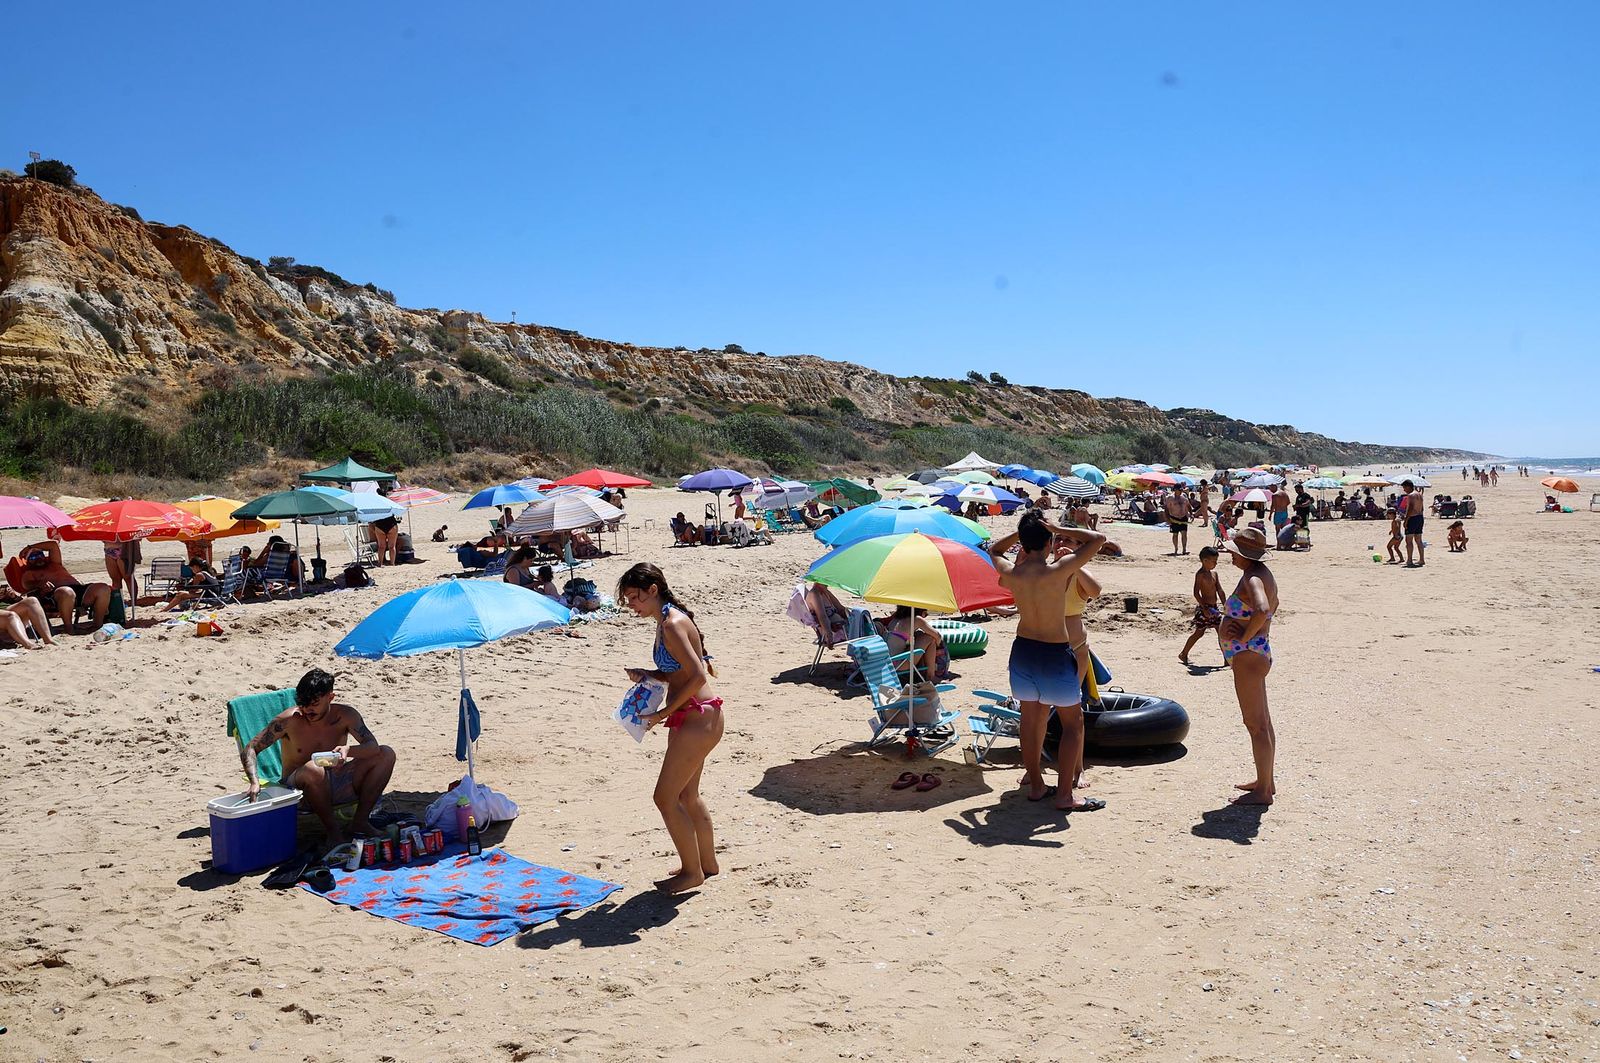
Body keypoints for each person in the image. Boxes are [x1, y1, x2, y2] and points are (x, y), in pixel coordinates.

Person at [987, 510, 1107, 812]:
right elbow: (1097, 539)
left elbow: (994, 549)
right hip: (1053, 653)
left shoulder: (1014, 573)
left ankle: (1037, 785)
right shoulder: (1058, 571)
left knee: (1030, 721)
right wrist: (1055, 527)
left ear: (1024, 544)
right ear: (1049, 541)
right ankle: (1065, 795)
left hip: (1023, 651)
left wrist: (1022, 532)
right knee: (1073, 724)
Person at [618, 563, 723, 894]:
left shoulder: (672, 623)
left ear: (652, 590)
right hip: (698, 716)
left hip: (697, 717)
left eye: (634, 597)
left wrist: (662, 713)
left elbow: (698, 675)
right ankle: (706, 864)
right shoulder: (667, 619)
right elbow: (679, 672)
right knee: (688, 795)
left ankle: (692, 873)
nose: (631, 605)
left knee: (664, 798)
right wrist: (649, 673)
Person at [241, 668, 397, 847]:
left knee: (386, 754)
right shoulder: (289, 720)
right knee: (314, 768)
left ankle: (360, 822)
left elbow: (372, 747)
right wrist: (254, 782)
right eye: (303, 704)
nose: (307, 709)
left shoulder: (345, 716)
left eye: (314, 703)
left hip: (337, 782)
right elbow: (250, 748)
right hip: (300, 790)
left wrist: (348, 750)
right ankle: (334, 833)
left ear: (330, 697)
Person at [1218, 526, 1278, 805]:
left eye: (1235, 552)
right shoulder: (1261, 574)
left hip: (1248, 656)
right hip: (1255, 653)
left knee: (1256, 725)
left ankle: (1263, 791)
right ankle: (1266, 781)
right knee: (1263, 722)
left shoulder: (1253, 577)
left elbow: (1263, 609)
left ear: (1247, 555)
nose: (1231, 556)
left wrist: (1244, 635)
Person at [16, 541, 112, 634]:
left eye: (40, 554)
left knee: (102, 588)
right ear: (28, 561)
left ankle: (97, 625)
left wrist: (30, 547)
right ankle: (69, 628)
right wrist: (39, 584)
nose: (38, 558)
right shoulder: (30, 573)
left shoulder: (54, 563)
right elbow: (26, 585)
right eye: (33, 557)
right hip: (56, 594)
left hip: (79, 590)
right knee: (67, 592)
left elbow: (53, 545)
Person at [1178, 546, 1223, 666]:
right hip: (1205, 608)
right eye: (1213, 561)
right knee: (1199, 633)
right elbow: (1196, 593)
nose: (1216, 564)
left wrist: (1226, 604)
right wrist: (1204, 608)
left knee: (1221, 632)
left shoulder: (1214, 574)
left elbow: (1220, 590)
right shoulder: (1200, 575)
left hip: (1215, 608)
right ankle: (1183, 653)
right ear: (1205, 561)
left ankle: (1227, 658)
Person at [880, 604, 949, 680]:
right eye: (925, 612)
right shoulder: (917, 620)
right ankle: (931, 676)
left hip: (886, 663)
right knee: (930, 638)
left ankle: (924, 673)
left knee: (919, 635)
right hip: (899, 664)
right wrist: (938, 647)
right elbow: (938, 636)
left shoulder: (895, 619)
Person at [0, 583, 55, 649]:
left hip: (7, 609)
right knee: (11, 616)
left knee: (32, 601)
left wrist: (13, 596)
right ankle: (28, 644)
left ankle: (48, 640)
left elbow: (21, 600)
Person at [805, 583, 849, 648]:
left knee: (860, 614)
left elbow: (840, 608)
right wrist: (828, 633)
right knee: (861, 627)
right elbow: (822, 616)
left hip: (842, 626)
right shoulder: (814, 594)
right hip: (837, 630)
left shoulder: (824, 591)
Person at [103, 537, 141, 613]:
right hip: (108, 549)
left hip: (123, 549)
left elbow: (137, 537)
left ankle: (134, 602)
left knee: (128, 578)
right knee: (115, 579)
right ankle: (119, 603)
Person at [1399, 479, 1425, 567]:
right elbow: (1422, 508)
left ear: (1408, 486)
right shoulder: (1419, 495)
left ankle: (1409, 560)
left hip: (1412, 518)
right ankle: (1422, 559)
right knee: (1419, 540)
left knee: (1409, 540)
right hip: (1420, 517)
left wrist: (1406, 520)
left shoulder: (1410, 495)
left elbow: (1410, 508)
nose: (1404, 490)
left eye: (1404, 487)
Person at [1163, 487, 1192, 556]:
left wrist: (1191, 513)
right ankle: (1176, 549)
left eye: (1181, 490)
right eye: (1179, 490)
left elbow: (1188, 505)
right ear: (1175, 490)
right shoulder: (1170, 498)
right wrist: (1168, 519)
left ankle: (1184, 549)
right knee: (1175, 534)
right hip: (1174, 518)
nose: (1181, 491)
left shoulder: (1184, 496)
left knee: (1184, 534)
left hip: (1183, 517)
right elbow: (1166, 509)